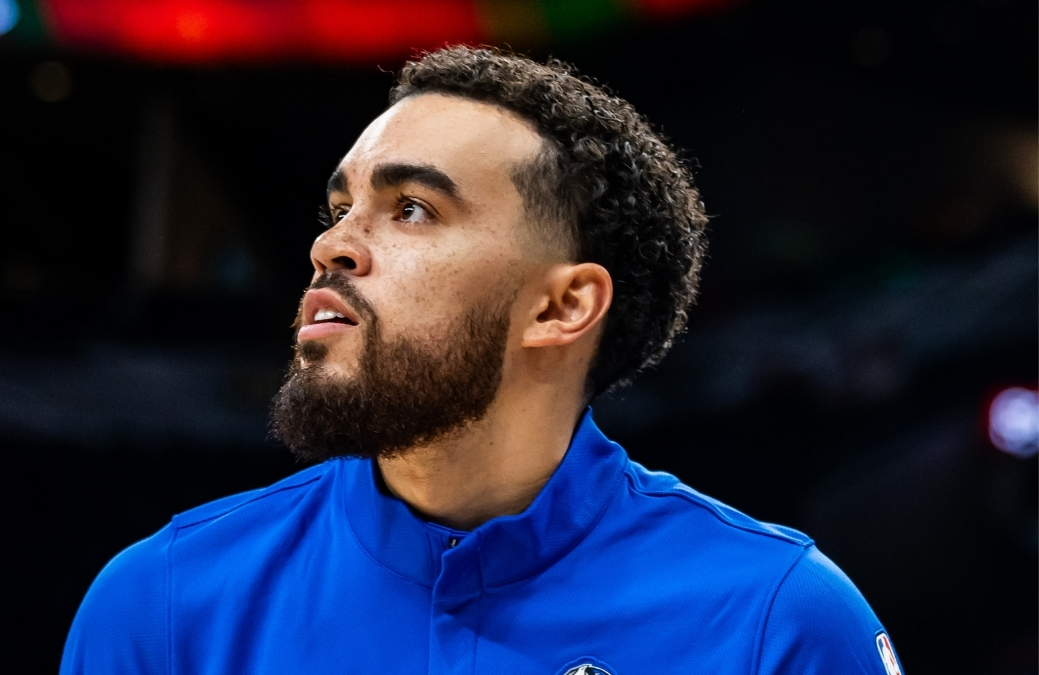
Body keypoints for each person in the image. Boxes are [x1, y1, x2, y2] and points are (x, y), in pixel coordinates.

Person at [60, 46, 903, 675]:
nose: (332, 245)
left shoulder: (776, 619)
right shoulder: (162, 603)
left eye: (413, 209)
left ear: (561, 306)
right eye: (340, 206)